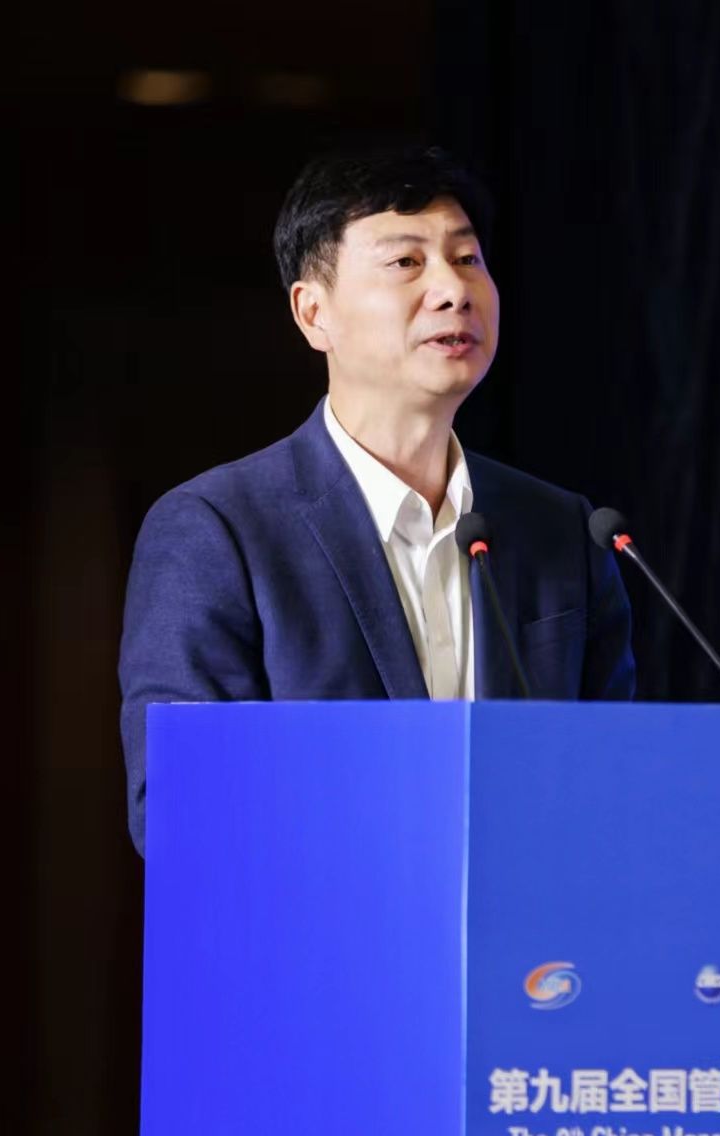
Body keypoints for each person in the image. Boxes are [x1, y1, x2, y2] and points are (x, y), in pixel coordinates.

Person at [118, 146, 635, 853]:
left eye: (468, 258)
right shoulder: (220, 532)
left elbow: (615, 785)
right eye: (406, 262)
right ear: (313, 313)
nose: (453, 290)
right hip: (321, 920)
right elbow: (180, 809)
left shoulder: (564, 530)